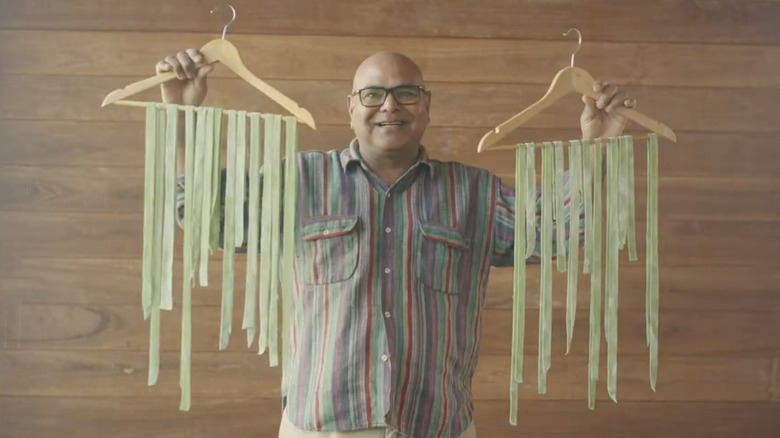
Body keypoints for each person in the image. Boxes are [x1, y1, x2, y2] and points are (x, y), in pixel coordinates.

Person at [157, 49, 635, 438]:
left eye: (405, 93)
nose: (390, 106)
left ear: (426, 105)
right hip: (322, 427)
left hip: (435, 426)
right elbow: (208, 220)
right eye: (373, 94)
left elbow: (554, 232)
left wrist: (599, 147)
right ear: (351, 107)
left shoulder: (473, 193)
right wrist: (181, 115)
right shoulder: (298, 181)